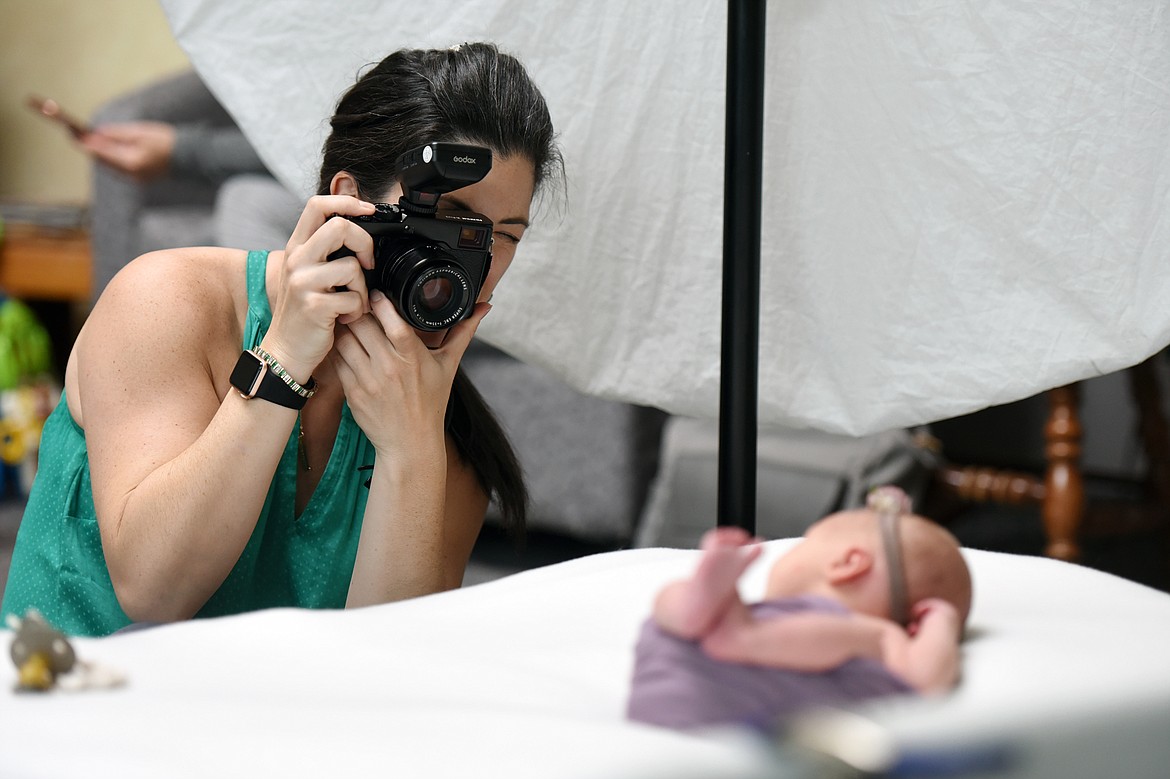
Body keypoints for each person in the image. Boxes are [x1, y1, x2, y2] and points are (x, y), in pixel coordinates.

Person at [1, 42, 563, 637]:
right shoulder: (166, 301)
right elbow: (154, 588)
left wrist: (411, 452)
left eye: (503, 236)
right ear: (348, 201)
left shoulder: (452, 442)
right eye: (450, 217)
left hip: (262, 729)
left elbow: (388, 672)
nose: (472, 261)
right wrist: (284, 357)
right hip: (73, 711)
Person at [626, 486, 973, 732]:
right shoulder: (770, 612)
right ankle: (694, 609)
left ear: (848, 564)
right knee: (678, 597)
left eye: (808, 542)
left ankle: (711, 618)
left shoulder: (881, 635)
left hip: (668, 694)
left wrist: (940, 622)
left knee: (671, 601)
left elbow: (924, 682)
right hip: (701, 667)